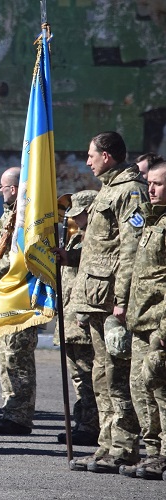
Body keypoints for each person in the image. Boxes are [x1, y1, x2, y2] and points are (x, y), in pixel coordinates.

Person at [68, 131, 149, 473]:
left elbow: (132, 247)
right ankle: (106, 446)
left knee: (117, 374)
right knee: (102, 375)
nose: (87, 161)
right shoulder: (109, 188)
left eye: (91, 155)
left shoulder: (130, 190)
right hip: (96, 297)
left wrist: (121, 298)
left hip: (112, 299)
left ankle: (124, 447)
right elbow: (101, 246)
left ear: (108, 156)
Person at [0, 166, 39, 435]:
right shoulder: (9, 217)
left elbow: (18, 260)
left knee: (17, 359)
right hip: (2, 300)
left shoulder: (26, 219)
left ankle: (19, 416)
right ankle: (10, 412)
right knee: (6, 360)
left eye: (3, 187)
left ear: (14, 189)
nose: (1, 191)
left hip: (19, 300)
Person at [122, 160, 166, 479]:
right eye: (149, 183)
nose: (150, 189)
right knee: (139, 387)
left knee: (161, 390)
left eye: (158, 184)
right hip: (141, 323)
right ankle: (152, 452)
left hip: (160, 325)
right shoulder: (151, 221)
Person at [53, 190, 100, 446]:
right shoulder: (77, 237)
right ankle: (82, 423)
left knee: (87, 373)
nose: (74, 220)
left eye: (79, 215)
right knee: (77, 375)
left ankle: (90, 425)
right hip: (70, 315)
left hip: (81, 316)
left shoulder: (94, 238)